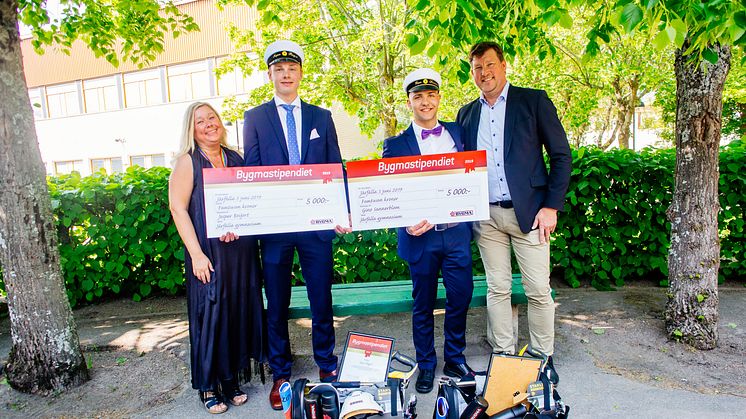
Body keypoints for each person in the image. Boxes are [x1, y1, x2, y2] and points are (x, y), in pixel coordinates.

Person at [242, 40, 351, 410]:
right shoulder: (255, 118)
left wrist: (342, 211)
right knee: (278, 303)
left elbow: (336, 168)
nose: (286, 74)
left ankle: (327, 365)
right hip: (275, 230)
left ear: (301, 73)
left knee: (322, 298)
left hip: (316, 226)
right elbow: (252, 174)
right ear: (270, 75)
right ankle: (281, 374)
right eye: (279, 69)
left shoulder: (322, 117)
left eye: (292, 68)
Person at [456, 42, 572, 382]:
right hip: (486, 217)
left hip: (531, 214)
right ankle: (504, 356)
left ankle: (541, 356)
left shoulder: (533, 101)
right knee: (498, 288)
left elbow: (561, 156)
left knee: (538, 289)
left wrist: (551, 206)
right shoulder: (467, 113)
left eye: (489, 65)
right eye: (477, 68)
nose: (484, 73)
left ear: (503, 66)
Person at [169, 102, 267, 414]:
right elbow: (178, 208)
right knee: (210, 316)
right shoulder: (188, 162)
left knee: (235, 312)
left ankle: (230, 379)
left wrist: (242, 224)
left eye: (212, 117)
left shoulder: (235, 158)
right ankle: (208, 385)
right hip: (208, 254)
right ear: (191, 128)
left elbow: (249, 201)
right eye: (201, 121)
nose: (209, 124)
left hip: (240, 252)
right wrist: (196, 254)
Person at [382, 68, 475, 394]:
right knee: (423, 303)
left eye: (430, 95)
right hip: (420, 236)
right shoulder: (394, 145)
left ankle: (455, 357)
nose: (425, 102)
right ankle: (426, 364)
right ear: (409, 102)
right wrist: (404, 219)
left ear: (438, 98)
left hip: (455, 233)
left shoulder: (459, 133)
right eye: (418, 96)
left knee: (460, 296)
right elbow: (389, 194)